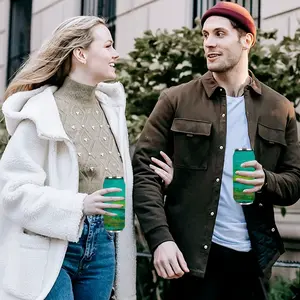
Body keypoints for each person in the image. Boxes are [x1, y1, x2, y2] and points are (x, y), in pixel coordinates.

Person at [132, 2, 300, 300]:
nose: (209, 42)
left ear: (246, 40)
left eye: (219, 34)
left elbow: (295, 181)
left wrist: (266, 181)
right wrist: (160, 239)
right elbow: (144, 172)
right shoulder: (175, 99)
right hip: (193, 260)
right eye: (205, 35)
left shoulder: (279, 108)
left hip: (253, 261)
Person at [0, 16, 172, 300]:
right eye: (108, 45)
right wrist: (79, 205)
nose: (116, 54)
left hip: (105, 243)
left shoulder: (111, 109)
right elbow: (12, 192)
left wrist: (158, 185)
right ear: (80, 54)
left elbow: (114, 181)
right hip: (51, 248)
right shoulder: (40, 112)